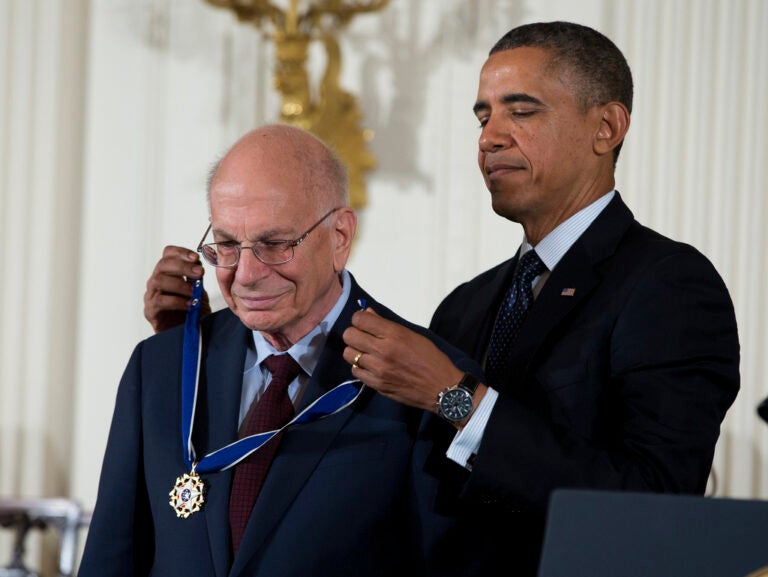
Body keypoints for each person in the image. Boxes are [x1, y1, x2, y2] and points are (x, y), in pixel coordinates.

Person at [142, 22, 741, 576]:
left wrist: (458, 400)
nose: (490, 138)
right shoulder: (467, 305)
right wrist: (197, 348)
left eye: (521, 111)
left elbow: (656, 504)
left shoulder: (669, 285)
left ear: (606, 127)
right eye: (482, 117)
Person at [80, 124, 482, 577]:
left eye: (274, 245)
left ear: (340, 237)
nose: (246, 274)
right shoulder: (160, 367)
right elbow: (110, 559)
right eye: (228, 245)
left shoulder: (426, 378)